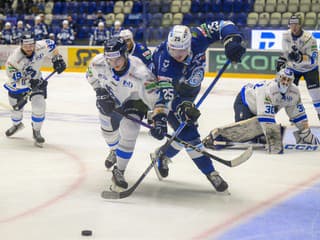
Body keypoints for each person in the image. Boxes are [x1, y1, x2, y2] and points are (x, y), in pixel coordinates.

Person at [150, 22, 246, 192]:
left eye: (181, 50)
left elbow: (224, 24)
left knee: (182, 134)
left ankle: (162, 154)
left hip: (189, 92)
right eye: (173, 50)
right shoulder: (164, 60)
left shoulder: (197, 36)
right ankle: (211, 173)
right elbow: (167, 96)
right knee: (190, 134)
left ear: (189, 44)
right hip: (167, 98)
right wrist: (182, 107)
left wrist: (231, 41)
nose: (177, 55)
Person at [86, 37, 167, 191]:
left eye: (118, 58)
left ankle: (119, 170)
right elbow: (91, 78)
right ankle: (115, 150)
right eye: (110, 59)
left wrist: (159, 119)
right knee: (108, 134)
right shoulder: (98, 63)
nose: (114, 63)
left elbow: (157, 99)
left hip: (134, 100)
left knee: (130, 129)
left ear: (125, 54)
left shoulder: (141, 73)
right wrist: (100, 92)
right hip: (110, 100)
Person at [203, 68, 319, 153]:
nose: (285, 82)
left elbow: (298, 114)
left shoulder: (294, 92)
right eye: (283, 79)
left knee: (258, 132)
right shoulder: (267, 90)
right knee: (247, 131)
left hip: (262, 109)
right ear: (278, 78)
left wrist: (305, 133)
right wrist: (274, 140)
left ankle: (260, 135)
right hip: (245, 103)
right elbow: (266, 117)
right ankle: (216, 136)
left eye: (288, 80)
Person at [3, 31, 66, 147]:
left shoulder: (41, 46)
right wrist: (27, 82)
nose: (29, 48)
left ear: (35, 43)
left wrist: (57, 59)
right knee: (16, 110)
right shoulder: (14, 59)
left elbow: (52, 45)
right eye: (26, 45)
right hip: (18, 85)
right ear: (21, 44)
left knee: (39, 106)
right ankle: (16, 124)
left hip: (36, 80)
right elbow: (12, 75)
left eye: (31, 45)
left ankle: (36, 131)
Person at [276, 14, 320, 121]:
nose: (294, 27)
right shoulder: (285, 36)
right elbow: (286, 53)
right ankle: (295, 115)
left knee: (316, 95)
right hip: (293, 69)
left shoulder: (310, 39)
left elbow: (314, 58)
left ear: (301, 25)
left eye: (296, 24)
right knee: (289, 93)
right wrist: (283, 59)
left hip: (310, 69)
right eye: (292, 24)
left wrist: (301, 58)